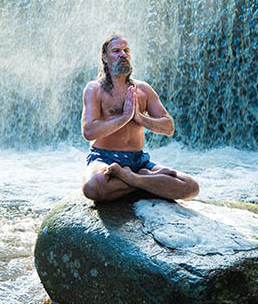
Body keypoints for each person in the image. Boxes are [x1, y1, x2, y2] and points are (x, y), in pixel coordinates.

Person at [80, 34, 199, 202]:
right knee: (93, 187)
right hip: (104, 158)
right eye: (116, 51)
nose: (123, 54)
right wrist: (124, 117)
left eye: (126, 50)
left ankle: (132, 179)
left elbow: (168, 127)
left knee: (191, 186)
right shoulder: (95, 89)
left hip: (139, 160)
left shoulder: (143, 89)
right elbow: (89, 131)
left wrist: (141, 119)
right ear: (105, 58)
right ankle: (149, 183)